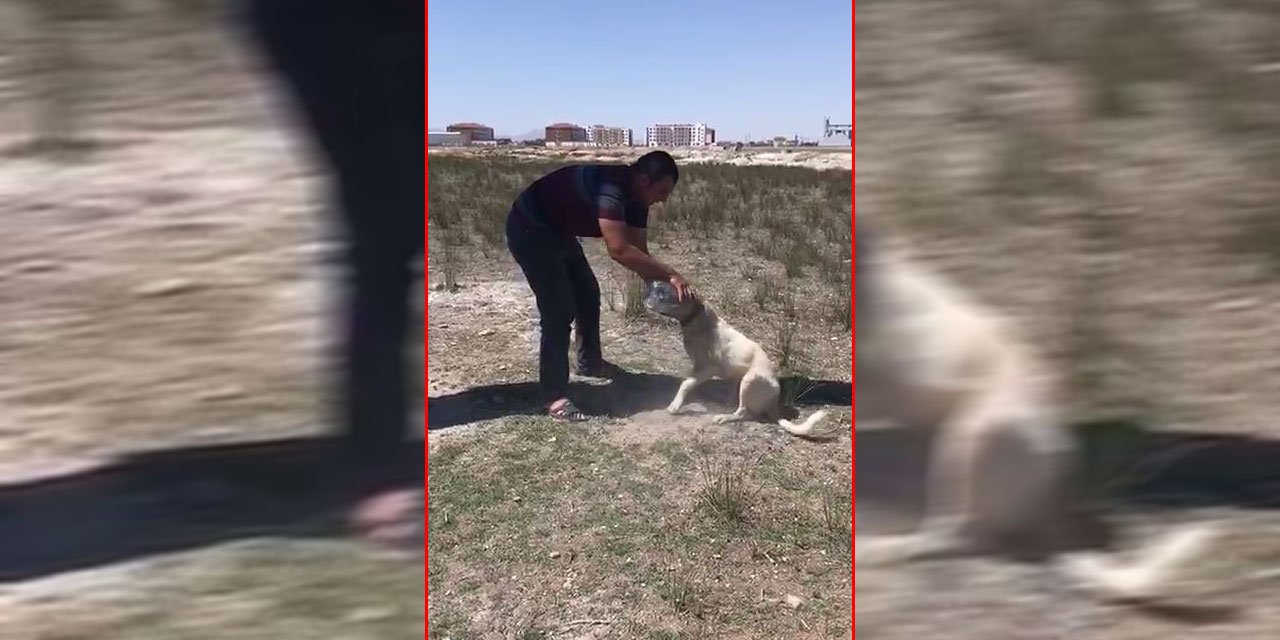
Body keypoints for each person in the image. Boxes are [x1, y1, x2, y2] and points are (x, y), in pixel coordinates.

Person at [236, 0, 422, 546]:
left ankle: (377, 454)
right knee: (383, 227)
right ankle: (376, 464)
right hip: (327, 20)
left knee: (390, 230)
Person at [506, 151, 694, 423]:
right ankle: (553, 396)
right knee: (558, 310)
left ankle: (589, 362)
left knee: (587, 294)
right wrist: (671, 273)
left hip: (559, 231)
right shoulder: (612, 188)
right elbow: (618, 249)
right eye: (662, 191)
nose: (664, 199)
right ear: (643, 179)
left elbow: (638, 250)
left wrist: (656, 284)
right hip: (530, 227)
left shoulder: (639, 200)